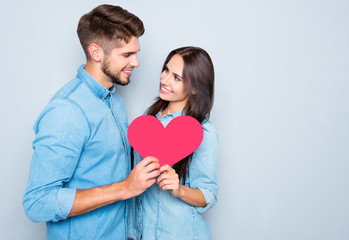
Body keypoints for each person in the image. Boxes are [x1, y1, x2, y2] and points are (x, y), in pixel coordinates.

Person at [23, 4, 160, 240]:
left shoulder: (114, 101)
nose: (136, 63)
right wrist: (124, 188)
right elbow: (37, 202)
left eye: (136, 53)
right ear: (96, 53)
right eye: (127, 54)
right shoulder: (67, 111)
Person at [127, 46, 218, 240]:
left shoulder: (203, 132)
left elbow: (208, 195)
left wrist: (179, 189)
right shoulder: (148, 122)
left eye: (177, 78)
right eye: (166, 70)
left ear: (195, 87)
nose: (164, 79)